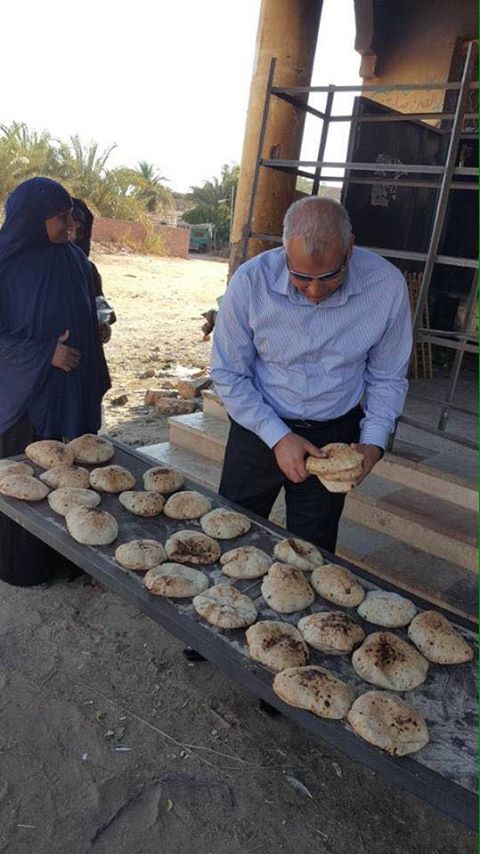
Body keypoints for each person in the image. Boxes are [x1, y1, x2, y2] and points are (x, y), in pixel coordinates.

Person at [210, 197, 413, 554]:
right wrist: (278, 437)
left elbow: (387, 377)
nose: (315, 291)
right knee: (231, 532)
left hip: (333, 434)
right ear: (284, 250)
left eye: (330, 276)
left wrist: (373, 443)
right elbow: (228, 373)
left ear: (349, 249)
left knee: (312, 552)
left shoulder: (386, 286)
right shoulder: (251, 282)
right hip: (259, 427)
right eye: (301, 277)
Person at [0, 177, 111, 586]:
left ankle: (70, 560)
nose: (71, 224)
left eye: (72, 215)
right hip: (25, 399)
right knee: (25, 483)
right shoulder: (4, 264)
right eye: (62, 216)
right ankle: (25, 568)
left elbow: (86, 306)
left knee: (73, 478)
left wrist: (94, 330)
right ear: (34, 219)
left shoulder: (73, 259)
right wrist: (46, 352)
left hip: (70, 395)